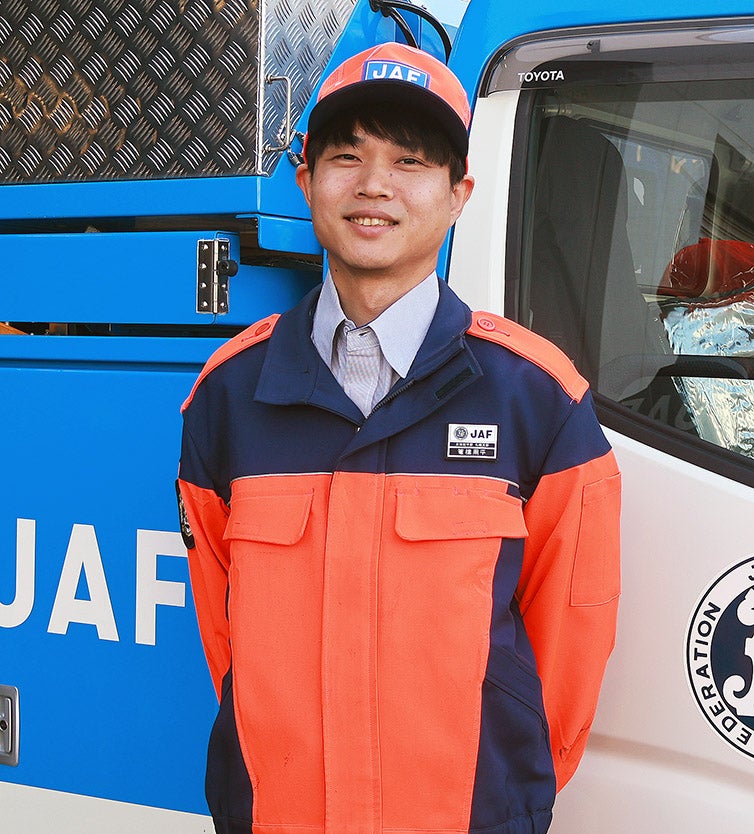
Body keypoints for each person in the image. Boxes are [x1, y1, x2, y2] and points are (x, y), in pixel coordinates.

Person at [177, 41, 621, 834]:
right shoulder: (229, 395)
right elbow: (227, 636)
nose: (374, 185)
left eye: (410, 160)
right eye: (346, 157)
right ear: (307, 181)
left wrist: (499, 795)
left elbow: (567, 655)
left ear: (458, 195)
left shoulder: (539, 399)